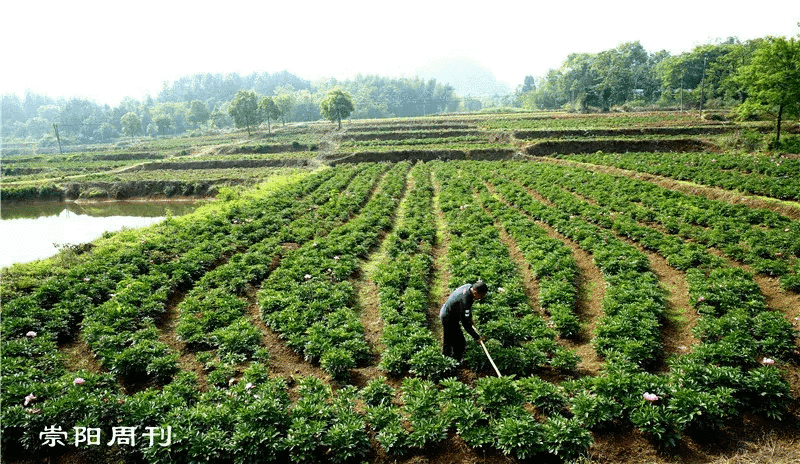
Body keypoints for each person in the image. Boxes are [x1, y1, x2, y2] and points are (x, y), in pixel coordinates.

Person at [439, 280, 488, 362]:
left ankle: (454, 358)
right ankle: (448, 361)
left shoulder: (469, 287)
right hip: (448, 317)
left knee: (456, 340)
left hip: (451, 312)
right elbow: (466, 325)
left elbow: (468, 308)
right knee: (453, 340)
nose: (481, 298)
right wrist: (477, 337)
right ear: (476, 292)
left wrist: (470, 318)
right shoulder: (465, 300)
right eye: (481, 296)